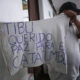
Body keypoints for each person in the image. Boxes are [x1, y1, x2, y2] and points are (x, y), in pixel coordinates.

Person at [48, 2, 80, 80]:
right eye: (71, 14)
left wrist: (75, 20)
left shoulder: (74, 26)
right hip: (57, 77)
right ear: (64, 13)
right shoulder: (52, 25)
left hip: (75, 75)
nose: (73, 16)